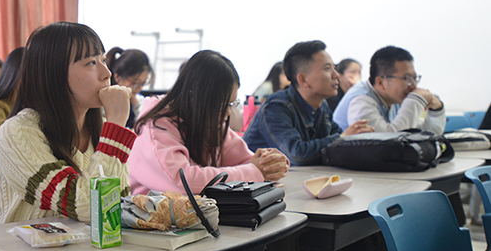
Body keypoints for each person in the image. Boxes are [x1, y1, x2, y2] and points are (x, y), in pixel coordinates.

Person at [0, 22, 165, 251]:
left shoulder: (99, 129)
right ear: (53, 74)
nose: (106, 73)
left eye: (103, 60)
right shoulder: (19, 133)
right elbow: (91, 207)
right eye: (91, 63)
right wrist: (117, 125)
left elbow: (117, 207)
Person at [129, 50, 290, 196]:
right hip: (152, 216)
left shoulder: (206, 120)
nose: (227, 112)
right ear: (195, 97)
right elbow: (184, 181)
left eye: (231, 104)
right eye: (222, 105)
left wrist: (270, 163)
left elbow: (247, 161)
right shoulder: (155, 125)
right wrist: (254, 171)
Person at [244, 41, 373, 166]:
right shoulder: (277, 106)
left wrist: (354, 138)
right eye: (327, 68)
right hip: (253, 179)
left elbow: (336, 139)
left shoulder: (321, 106)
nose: (336, 75)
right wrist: (341, 138)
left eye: (334, 68)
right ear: (303, 79)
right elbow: (296, 155)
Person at [333, 46, 446, 135]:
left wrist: (436, 110)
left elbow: (424, 134)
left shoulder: (394, 98)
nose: (413, 85)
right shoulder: (360, 101)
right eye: (407, 78)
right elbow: (388, 142)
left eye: (414, 78)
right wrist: (416, 100)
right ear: (381, 82)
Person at [106, 47, 153, 128]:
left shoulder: (139, 99)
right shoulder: (106, 101)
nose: (140, 88)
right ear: (117, 77)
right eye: (136, 83)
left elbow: (145, 127)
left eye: (143, 83)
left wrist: (135, 103)